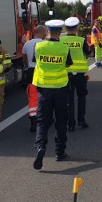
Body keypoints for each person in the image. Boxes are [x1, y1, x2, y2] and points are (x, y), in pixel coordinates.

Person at [32, 19, 72, 170]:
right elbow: (68, 63)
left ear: (47, 31)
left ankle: (40, 147)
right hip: (61, 88)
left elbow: (34, 60)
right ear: (59, 32)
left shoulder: (39, 46)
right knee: (61, 120)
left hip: (44, 89)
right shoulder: (64, 47)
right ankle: (59, 151)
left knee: (42, 121)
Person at [62, 16, 91, 130]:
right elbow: (88, 52)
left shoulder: (61, 40)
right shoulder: (81, 40)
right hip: (80, 74)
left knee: (69, 99)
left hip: (65, 73)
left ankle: (70, 124)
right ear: (78, 27)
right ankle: (81, 120)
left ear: (65, 27)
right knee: (81, 97)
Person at [22, 25, 47, 132]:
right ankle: (45, 118)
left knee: (33, 98)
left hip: (31, 72)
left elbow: (25, 59)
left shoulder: (27, 44)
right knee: (45, 96)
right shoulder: (45, 44)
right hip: (42, 72)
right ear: (42, 32)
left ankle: (33, 122)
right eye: (45, 32)